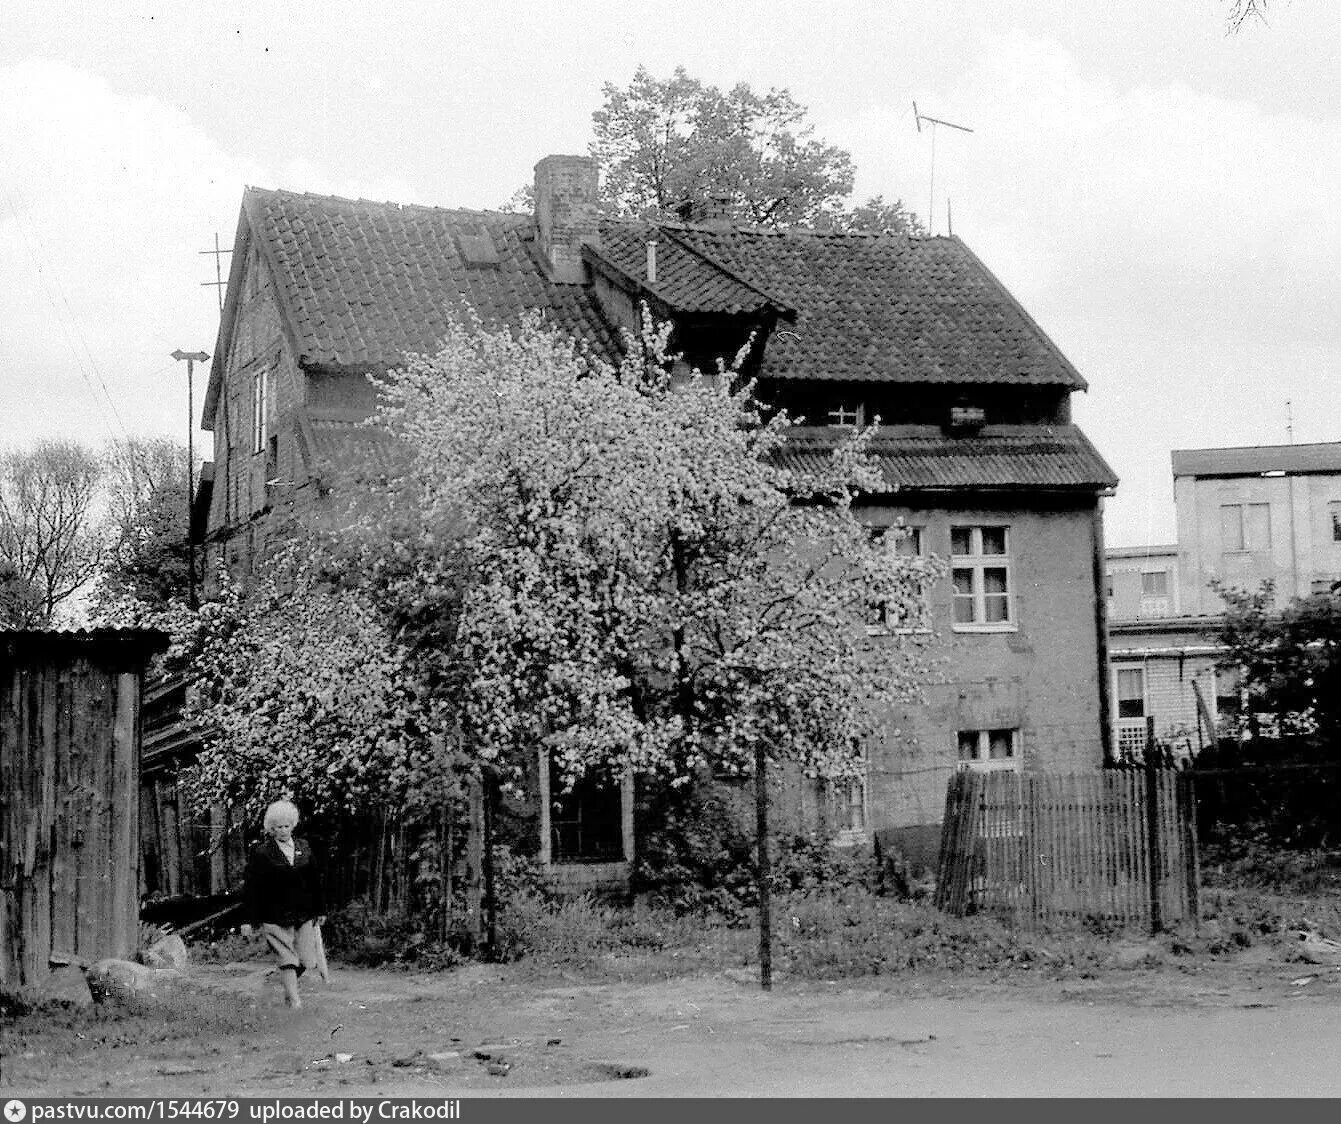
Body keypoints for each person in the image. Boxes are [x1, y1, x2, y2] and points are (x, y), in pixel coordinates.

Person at [241, 799, 325, 1009]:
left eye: (287, 826)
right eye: (278, 827)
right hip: (274, 914)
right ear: (272, 829)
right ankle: (295, 1001)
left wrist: (321, 909)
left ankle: (289, 991)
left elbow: (315, 880)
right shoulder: (262, 853)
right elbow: (252, 888)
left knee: (306, 961)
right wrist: (248, 919)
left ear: (293, 825)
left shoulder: (304, 847)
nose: (283, 830)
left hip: (303, 913)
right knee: (287, 958)